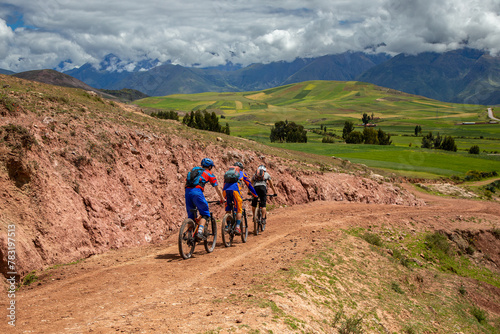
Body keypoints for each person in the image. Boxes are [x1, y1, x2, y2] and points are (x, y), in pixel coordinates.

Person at [185, 158, 225, 240]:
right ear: (210, 167)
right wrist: (222, 198)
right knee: (205, 214)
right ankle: (200, 232)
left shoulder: (194, 169)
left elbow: (186, 182)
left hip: (187, 191)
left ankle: (189, 235)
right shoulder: (209, 173)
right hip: (197, 192)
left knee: (191, 216)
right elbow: (217, 188)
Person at [223, 161, 258, 235]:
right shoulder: (242, 173)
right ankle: (237, 227)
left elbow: (224, 184)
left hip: (225, 191)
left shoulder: (227, 173)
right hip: (235, 190)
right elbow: (249, 185)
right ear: (241, 169)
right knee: (239, 209)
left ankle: (228, 225)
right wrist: (255, 195)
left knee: (228, 209)